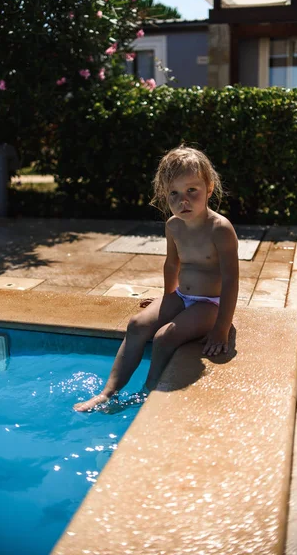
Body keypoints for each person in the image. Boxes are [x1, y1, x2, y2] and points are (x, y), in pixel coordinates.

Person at [74, 145, 239, 412]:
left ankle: (146, 393)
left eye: (191, 191)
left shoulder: (219, 229)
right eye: (174, 193)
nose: (182, 200)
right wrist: (167, 298)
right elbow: (172, 263)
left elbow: (231, 279)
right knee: (137, 324)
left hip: (211, 303)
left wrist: (221, 327)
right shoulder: (173, 225)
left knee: (164, 337)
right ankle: (108, 392)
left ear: (209, 188)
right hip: (183, 296)